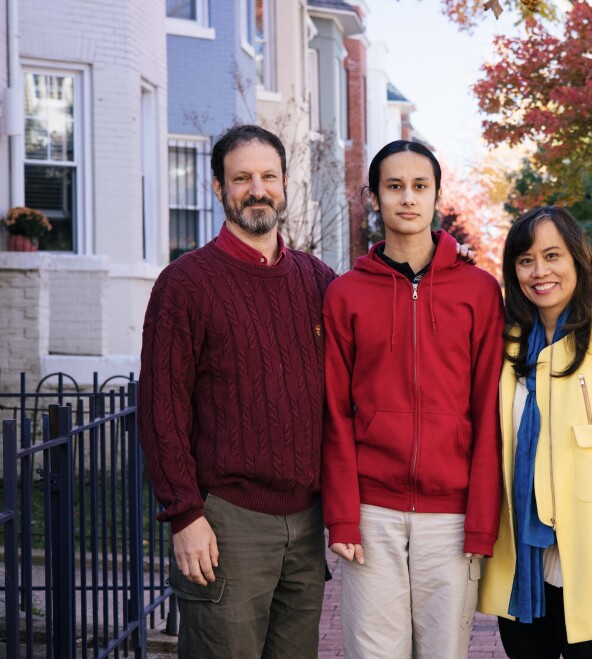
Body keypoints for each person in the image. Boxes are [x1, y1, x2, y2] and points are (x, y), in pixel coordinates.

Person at [138, 124, 336, 658]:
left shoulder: (319, 281)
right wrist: (184, 514)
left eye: (268, 176)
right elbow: (162, 409)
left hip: (307, 520)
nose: (257, 189)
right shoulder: (185, 284)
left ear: (285, 183)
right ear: (218, 189)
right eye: (242, 177)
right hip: (226, 522)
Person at [321, 140, 505, 658]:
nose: (408, 198)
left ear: (437, 197)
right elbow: (334, 413)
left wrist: (480, 522)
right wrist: (342, 516)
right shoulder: (345, 294)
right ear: (374, 198)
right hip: (371, 511)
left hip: (451, 515)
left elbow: (488, 411)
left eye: (420, 186)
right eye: (394, 186)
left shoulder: (478, 291)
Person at [477, 206, 592, 658]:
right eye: (526, 260)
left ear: (577, 258)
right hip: (518, 554)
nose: (540, 271)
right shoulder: (505, 340)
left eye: (552, 255)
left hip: (583, 552)